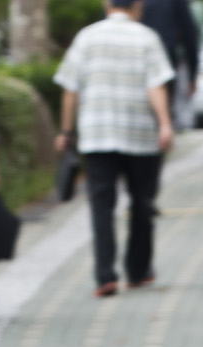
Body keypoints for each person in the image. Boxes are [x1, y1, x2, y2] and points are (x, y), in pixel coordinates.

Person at [55, 0, 178, 298]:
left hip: (97, 135)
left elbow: (70, 88)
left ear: (106, 4)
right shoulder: (146, 37)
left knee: (101, 205)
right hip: (139, 135)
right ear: (137, 6)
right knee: (141, 202)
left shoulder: (86, 37)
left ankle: (105, 275)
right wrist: (165, 124)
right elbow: (156, 85)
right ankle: (138, 270)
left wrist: (66, 130)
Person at [140, 0, 203, 132]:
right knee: (164, 105)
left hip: (138, 58)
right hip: (167, 59)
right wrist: (193, 75)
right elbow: (190, 34)